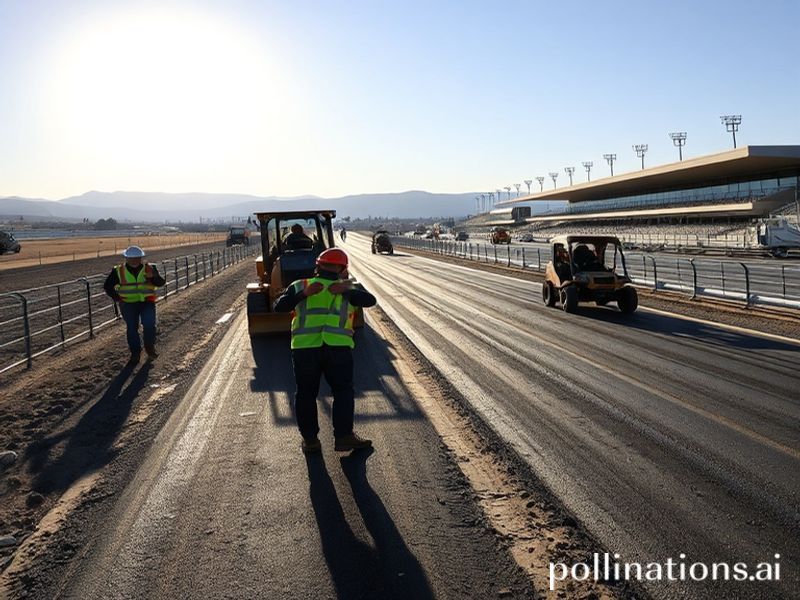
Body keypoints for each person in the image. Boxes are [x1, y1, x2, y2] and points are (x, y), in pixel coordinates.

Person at [274, 248, 376, 453]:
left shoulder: (301, 285)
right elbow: (369, 300)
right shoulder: (348, 285)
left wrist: (303, 294)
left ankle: (311, 441)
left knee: (305, 394)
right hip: (337, 349)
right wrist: (346, 290)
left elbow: (279, 307)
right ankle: (344, 437)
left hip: (305, 349)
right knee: (343, 392)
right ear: (343, 268)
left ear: (317, 266)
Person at [104, 246, 166, 362]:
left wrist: (154, 277)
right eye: (132, 258)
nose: (135, 261)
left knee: (149, 326)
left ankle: (150, 349)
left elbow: (161, 283)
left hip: (147, 302)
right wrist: (118, 298)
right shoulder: (118, 271)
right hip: (128, 304)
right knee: (132, 329)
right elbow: (107, 286)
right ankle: (135, 353)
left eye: (137, 258)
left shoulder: (150, 268)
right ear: (126, 259)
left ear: (141, 258)